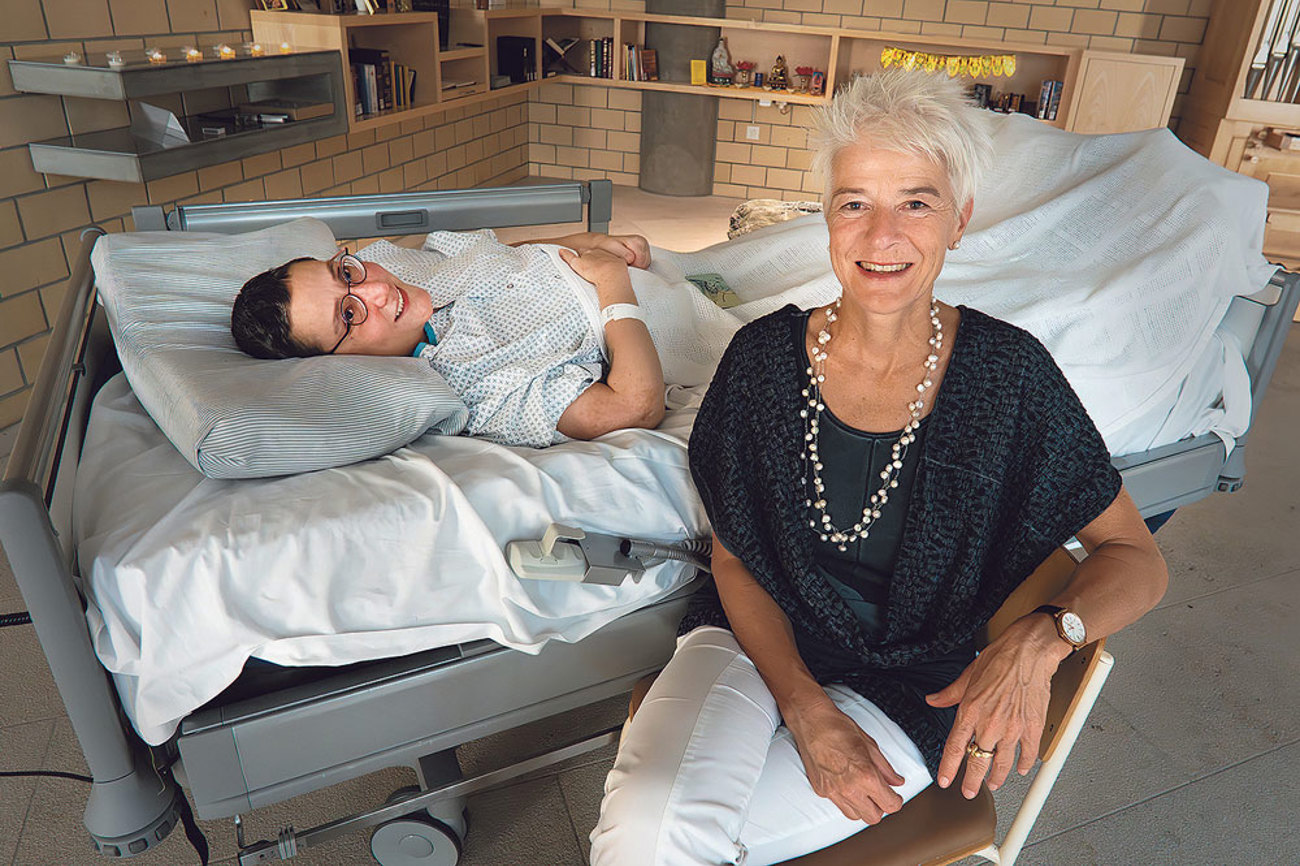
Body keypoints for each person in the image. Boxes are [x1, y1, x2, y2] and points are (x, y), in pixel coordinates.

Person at [588, 69, 1169, 865]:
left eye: (916, 203)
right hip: (750, 639)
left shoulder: (1009, 374)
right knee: (648, 828)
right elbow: (733, 553)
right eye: (855, 202)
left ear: (958, 221)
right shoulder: (761, 360)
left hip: (915, 685)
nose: (880, 234)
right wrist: (802, 704)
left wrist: (1042, 639)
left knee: (665, 847)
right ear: (826, 218)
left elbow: (1138, 560)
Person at [231, 230, 665, 448]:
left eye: (345, 273)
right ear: (340, 363)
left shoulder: (392, 262)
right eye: (349, 315)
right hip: (661, 316)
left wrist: (594, 242)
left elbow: (508, 254)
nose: (376, 290)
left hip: (644, 268)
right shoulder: (474, 388)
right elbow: (635, 405)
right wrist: (613, 283)